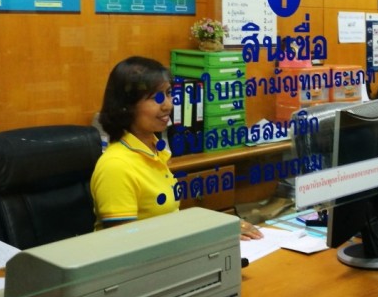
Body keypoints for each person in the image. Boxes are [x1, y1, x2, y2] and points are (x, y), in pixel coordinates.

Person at [90, 56, 262, 240]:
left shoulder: (155, 152)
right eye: (156, 98)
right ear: (127, 107)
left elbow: (168, 221)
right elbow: (124, 243)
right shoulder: (116, 165)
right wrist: (209, 234)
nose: (168, 105)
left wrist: (220, 227)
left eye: (168, 93)